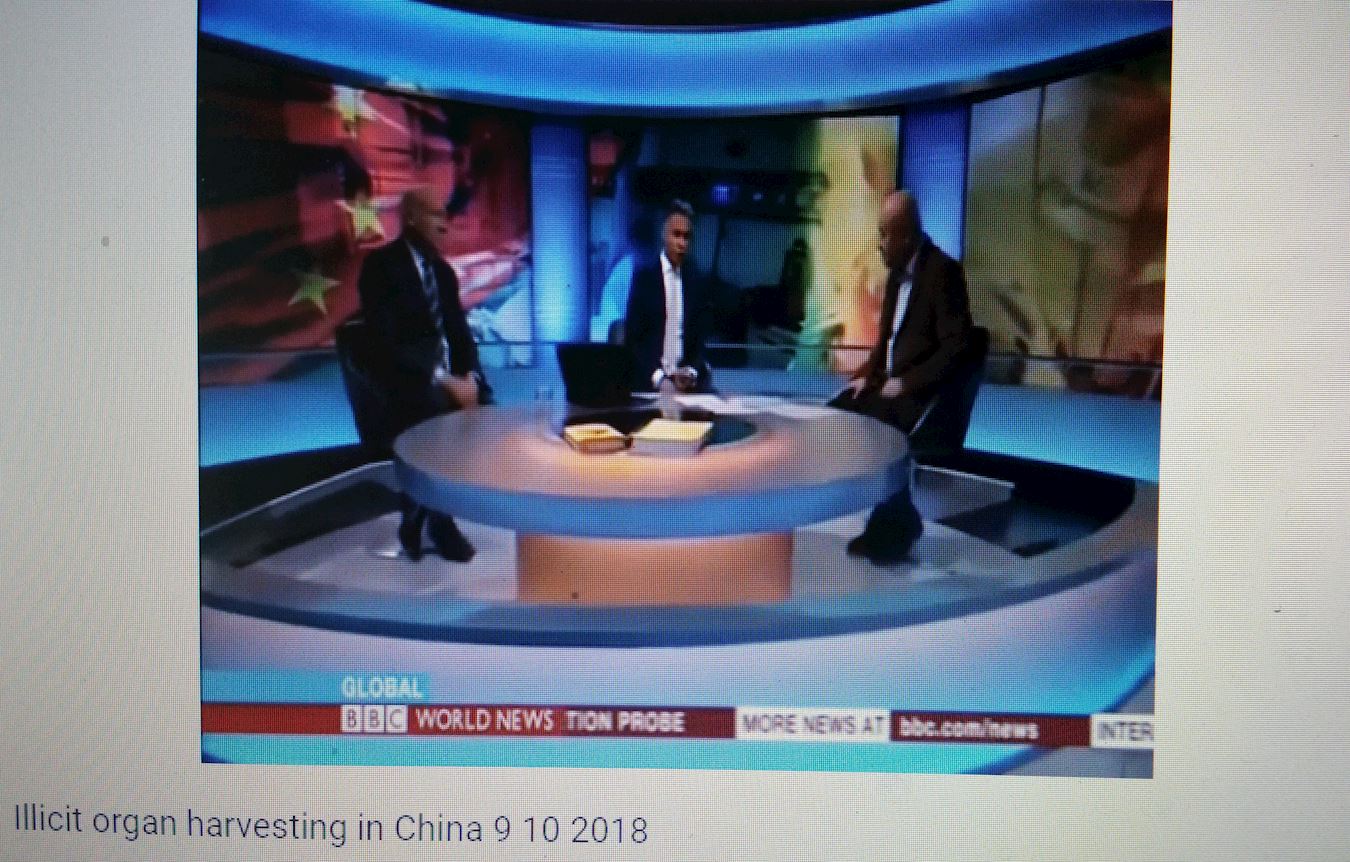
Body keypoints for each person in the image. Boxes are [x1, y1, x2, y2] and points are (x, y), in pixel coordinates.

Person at [829, 190, 973, 565]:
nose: (879, 244)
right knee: (838, 412)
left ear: (905, 236)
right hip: (890, 388)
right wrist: (869, 376)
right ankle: (896, 518)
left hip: (923, 396)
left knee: (874, 425)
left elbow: (957, 348)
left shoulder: (943, 273)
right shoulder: (896, 276)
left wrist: (906, 384)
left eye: (883, 234)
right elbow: (887, 341)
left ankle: (893, 524)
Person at [356, 187, 491, 562]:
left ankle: (415, 515)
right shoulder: (381, 266)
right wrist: (443, 379)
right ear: (412, 218)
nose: (444, 225)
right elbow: (386, 344)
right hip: (403, 383)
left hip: (445, 382)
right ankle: (441, 525)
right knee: (431, 411)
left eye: (446, 216)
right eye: (436, 216)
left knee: (488, 409)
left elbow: (460, 335)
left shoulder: (443, 273)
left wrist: (470, 378)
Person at [624, 199, 713, 393]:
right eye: (676, 235)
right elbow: (634, 341)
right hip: (649, 382)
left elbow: (699, 340)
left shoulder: (696, 279)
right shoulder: (645, 277)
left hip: (685, 386)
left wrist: (691, 372)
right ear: (664, 235)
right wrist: (660, 379)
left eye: (687, 237)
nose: (682, 243)